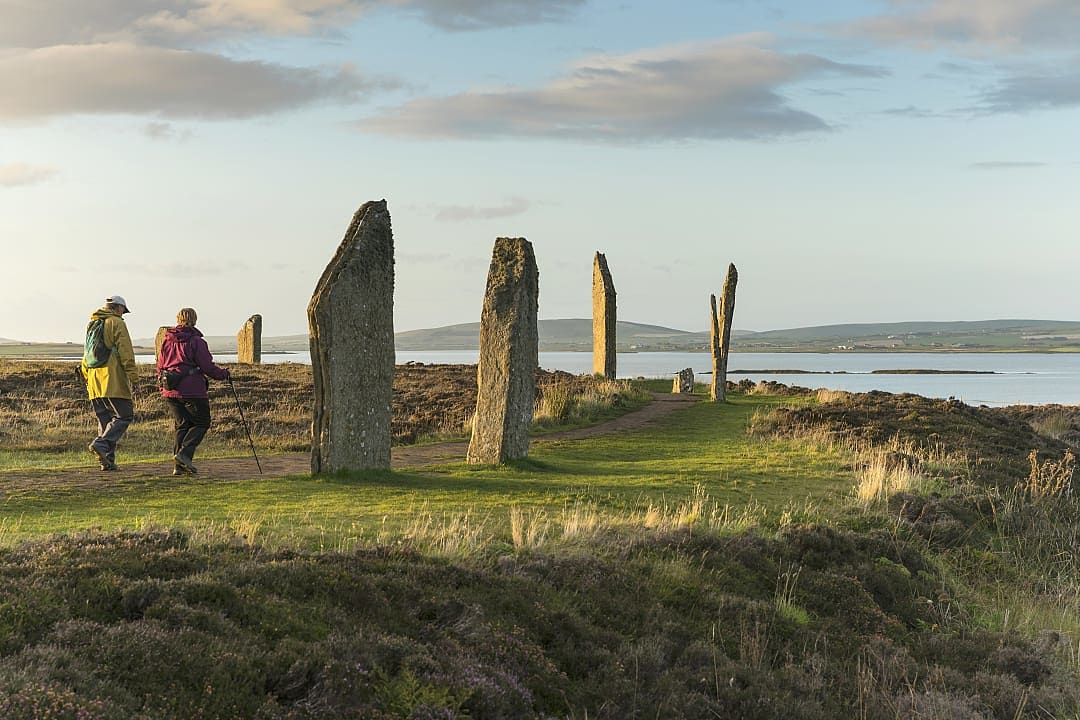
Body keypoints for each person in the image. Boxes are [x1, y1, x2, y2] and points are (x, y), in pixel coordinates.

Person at [157, 307, 230, 475]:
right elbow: (207, 366)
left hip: (171, 390)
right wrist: (224, 374)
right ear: (195, 320)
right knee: (202, 422)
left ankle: (179, 466)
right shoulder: (197, 342)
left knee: (182, 425)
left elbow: (160, 367)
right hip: (192, 390)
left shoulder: (167, 341)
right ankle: (184, 455)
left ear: (178, 319)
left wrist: (162, 387)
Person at [81, 295, 139, 471]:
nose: (123, 314)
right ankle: (101, 445)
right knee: (124, 415)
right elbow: (126, 352)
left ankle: (107, 460)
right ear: (118, 308)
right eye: (123, 310)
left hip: (94, 380)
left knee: (105, 420)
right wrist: (134, 378)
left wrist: (87, 377)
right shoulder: (117, 323)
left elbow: (86, 353)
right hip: (112, 378)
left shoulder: (92, 324)